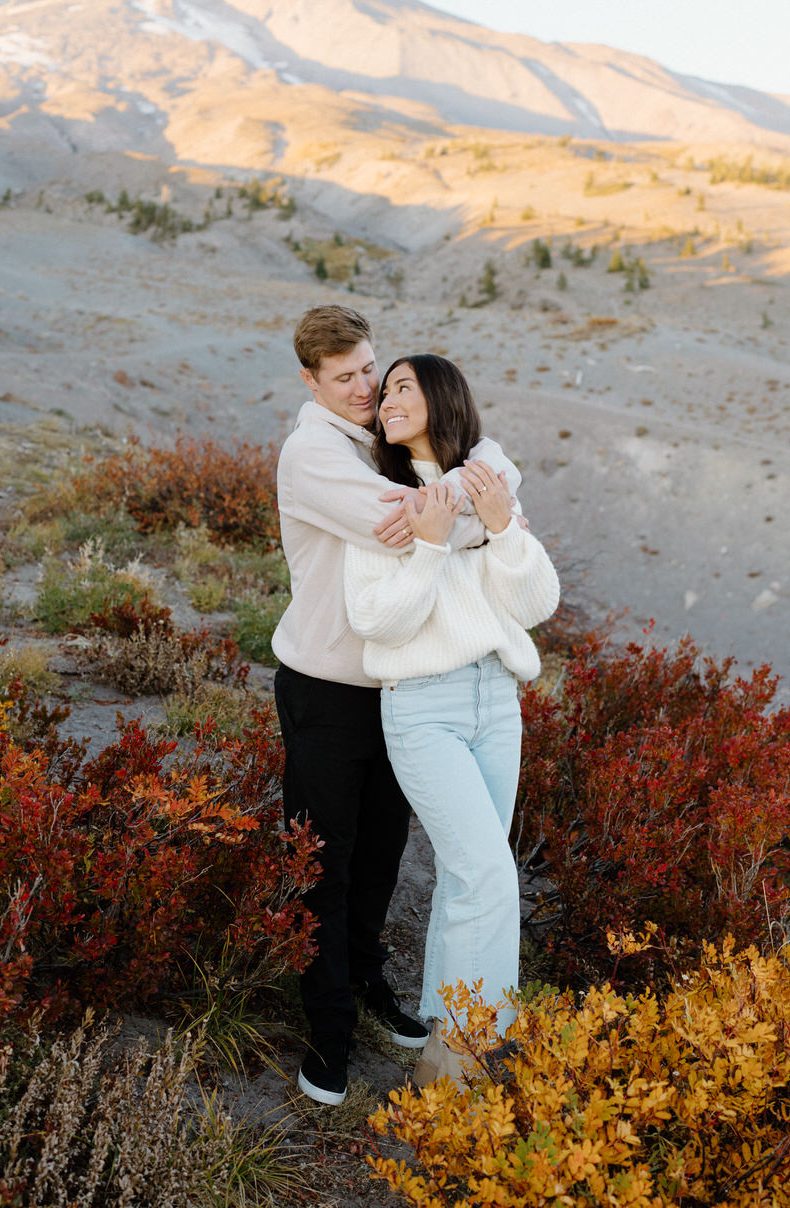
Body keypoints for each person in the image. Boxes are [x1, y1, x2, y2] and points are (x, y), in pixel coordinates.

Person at [273, 306, 521, 1105]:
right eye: (342, 376)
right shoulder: (313, 453)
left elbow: (490, 461)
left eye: (368, 370)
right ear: (310, 381)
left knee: (382, 854)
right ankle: (327, 1031)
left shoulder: (379, 440)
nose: (362, 387)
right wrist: (480, 509)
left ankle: (371, 984)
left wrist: (489, 486)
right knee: (325, 861)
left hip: (400, 688)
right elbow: (403, 526)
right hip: (326, 689)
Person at [343, 354, 560, 1086]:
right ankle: (467, 1053)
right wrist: (430, 544)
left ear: (441, 399)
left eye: (404, 386)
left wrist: (502, 530)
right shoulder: (379, 503)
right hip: (423, 704)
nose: (386, 399)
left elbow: (535, 606)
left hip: (496, 698)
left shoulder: (489, 489)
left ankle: (446, 1048)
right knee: (488, 873)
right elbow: (377, 619)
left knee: (473, 879)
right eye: (386, 391)